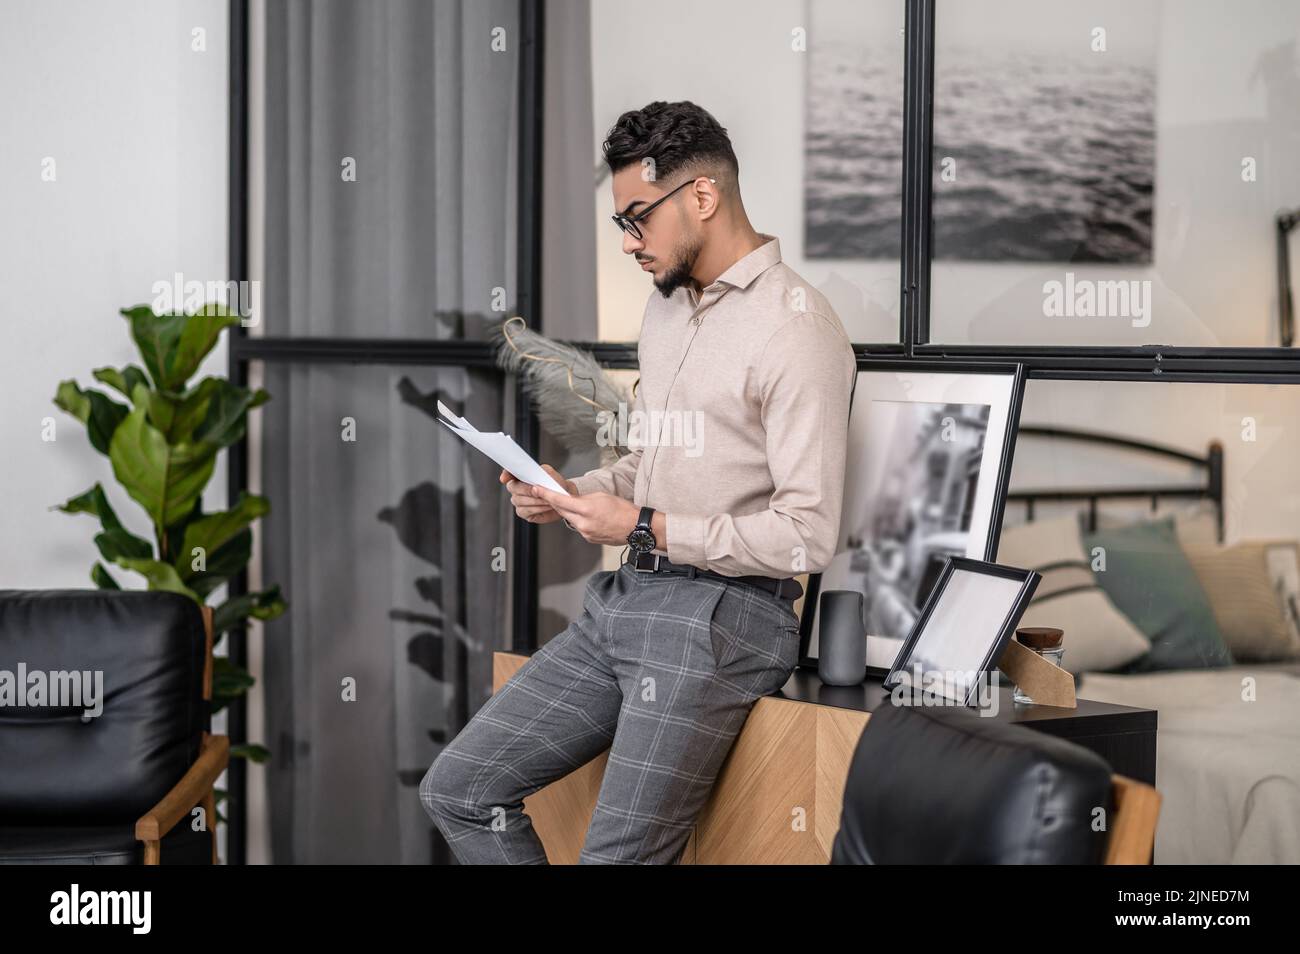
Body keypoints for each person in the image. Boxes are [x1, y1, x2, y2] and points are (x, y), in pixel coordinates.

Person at [420, 100, 857, 864]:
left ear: (701, 197)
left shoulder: (798, 329)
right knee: (460, 787)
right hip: (627, 598)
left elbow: (808, 534)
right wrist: (572, 492)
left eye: (636, 218)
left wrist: (647, 526)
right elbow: (645, 460)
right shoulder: (668, 313)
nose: (627, 242)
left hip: (724, 620)